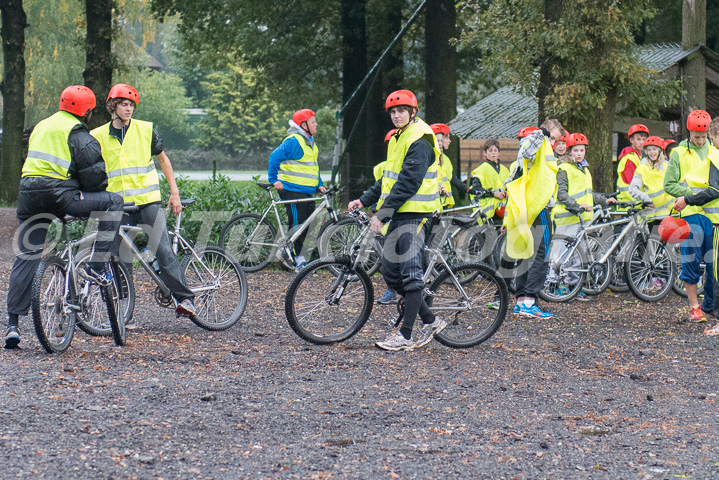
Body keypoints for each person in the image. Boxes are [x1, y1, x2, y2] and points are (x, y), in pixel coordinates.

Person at [4, 85, 124, 349]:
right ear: (87, 112)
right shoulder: (79, 134)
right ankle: (98, 266)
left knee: (27, 255)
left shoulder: (42, 126)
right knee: (114, 201)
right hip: (59, 195)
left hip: (27, 193)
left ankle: (12, 325)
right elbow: (95, 180)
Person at [348, 89, 445, 351]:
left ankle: (405, 336)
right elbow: (388, 179)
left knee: (411, 275)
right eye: (392, 111)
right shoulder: (397, 138)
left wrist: (382, 214)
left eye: (402, 110)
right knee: (391, 272)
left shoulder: (421, 139)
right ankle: (431, 320)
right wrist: (365, 200)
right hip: (400, 214)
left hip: (416, 215)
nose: (396, 114)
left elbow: (408, 183)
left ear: (413, 112)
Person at [90, 83, 196, 319]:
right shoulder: (96, 136)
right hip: (118, 205)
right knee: (118, 258)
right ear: (113, 107)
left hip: (147, 201)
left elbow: (164, 160)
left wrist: (174, 192)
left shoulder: (146, 130)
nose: (129, 109)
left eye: (131, 105)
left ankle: (185, 299)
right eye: (124, 104)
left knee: (163, 250)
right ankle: (122, 314)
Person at [501, 119, 565, 318]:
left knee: (526, 253)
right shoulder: (538, 141)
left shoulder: (544, 147)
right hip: (538, 207)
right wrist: (542, 133)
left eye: (556, 140)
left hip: (530, 207)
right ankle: (529, 300)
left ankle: (521, 302)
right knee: (541, 254)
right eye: (554, 137)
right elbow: (525, 153)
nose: (554, 143)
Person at [549, 133, 616, 301]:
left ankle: (573, 287)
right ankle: (554, 286)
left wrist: (604, 200)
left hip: (582, 219)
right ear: (569, 152)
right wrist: (576, 206)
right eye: (575, 150)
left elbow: (588, 194)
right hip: (567, 218)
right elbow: (561, 194)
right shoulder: (563, 168)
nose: (579, 153)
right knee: (561, 256)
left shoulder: (584, 170)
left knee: (579, 256)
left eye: (582, 150)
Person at [664, 110, 715, 323]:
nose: (701, 140)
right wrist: (691, 195)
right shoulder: (678, 153)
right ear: (689, 132)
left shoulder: (714, 150)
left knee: (714, 263)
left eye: (704, 137)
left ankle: (710, 305)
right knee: (692, 260)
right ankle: (694, 307)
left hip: (712, 215)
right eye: (697, 137)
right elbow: (668, 184)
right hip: (690, 213)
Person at [267, 109, 326, 271]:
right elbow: (274, 156)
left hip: (306, 192)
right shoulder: (294, 140)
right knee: (297, 224)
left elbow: (313, 167)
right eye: (313, 122)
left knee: (309, 223)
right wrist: (273, 179)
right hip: (292, 189)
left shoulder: (310, 142)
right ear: (304, 124)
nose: (316, 124)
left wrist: (319, 184)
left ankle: (298, 256)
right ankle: (288, 254)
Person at [700, 117, 719, 336]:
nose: (712, 143)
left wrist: (688, 199)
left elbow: (714, 190)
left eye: (712, 138)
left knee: (716, 272)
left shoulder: (716, 156)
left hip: (718, 224)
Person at [376, 129, 399, 306]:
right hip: (387, 216)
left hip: (405, 215)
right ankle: (393, 291)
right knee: (390, 257)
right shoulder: (382, 167)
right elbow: (379, 186)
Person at [628, 135, 675, 222]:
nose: (651, 152)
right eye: (649, 150)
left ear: (660, 150)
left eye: (654, 149)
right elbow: (632, 189)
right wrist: (645, 198)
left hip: (666, 216)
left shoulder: (667, 166)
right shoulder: (642, 168)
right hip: (648, 217)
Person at [469, 139, 509, 223]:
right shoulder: (481, 170)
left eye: (495, 150)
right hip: (489, 212)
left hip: (503, 210)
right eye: (490, 151)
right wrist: (494, 194)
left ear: (499, 153)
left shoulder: (505, 170)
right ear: (485, 153)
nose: (493, 153)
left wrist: (508, 192)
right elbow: (476, 189)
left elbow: (509, 186)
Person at [617, 124, 649, 206]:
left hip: (634, 203)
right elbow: (633, 182)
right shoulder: (629, 159)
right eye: (638, 139)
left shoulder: (639, 157)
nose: (641, 142)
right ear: (631, 140)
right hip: (629, 204)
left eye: (644, 139)